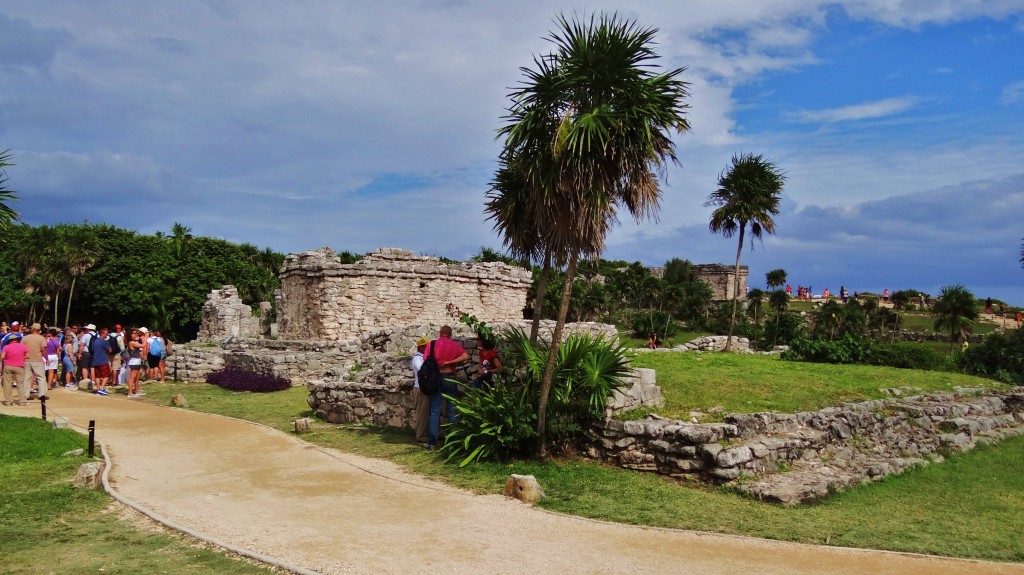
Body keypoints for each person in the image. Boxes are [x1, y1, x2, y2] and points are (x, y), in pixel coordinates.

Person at [423, 325, 468, 450]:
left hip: (435, 378)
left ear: (440, 333)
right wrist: (450, 362)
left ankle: (432, 442)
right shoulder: (454, 345)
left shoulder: (431, 345)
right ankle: (452, 442)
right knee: (452, 410)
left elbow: (426, 360)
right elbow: (465, 356)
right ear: (450, 334)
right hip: (449, 377)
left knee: (434, 411)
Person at [410, 336, 430, 445]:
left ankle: (426, 433)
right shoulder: (417, 358)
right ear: (422, 347)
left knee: (426, 412)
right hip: (420, 388)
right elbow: (422, 371)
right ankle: (421, 436)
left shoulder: (423, 357)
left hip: (424, 388)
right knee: (422, 413)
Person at [1, 332, 29, 405]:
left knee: (7, 384)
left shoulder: (6, 347)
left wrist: (6, 359)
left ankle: (8, 401)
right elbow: (27, 356)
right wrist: (21, 357)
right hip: (19, 366)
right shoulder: (23, 346)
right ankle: (22, 401)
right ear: (17, 340)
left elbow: (2, 357)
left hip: (8, 366)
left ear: (10, 340)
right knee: (20, 384)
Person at [21, 323, 47, 399]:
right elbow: (43, 349)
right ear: (39, 330)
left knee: (26, 378)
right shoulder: (41, 338)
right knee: (41, 377)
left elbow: (21, 349)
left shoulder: (25, 338)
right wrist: (44, 356)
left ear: (32, 329)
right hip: (37, 359)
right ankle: (42, 395)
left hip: (26, 359)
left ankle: (25, 395)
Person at [90, 326, 114, 395]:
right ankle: (102, 388)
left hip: (95, 360)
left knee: (97, 376)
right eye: (106, 334)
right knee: (106, 375)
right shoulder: (105, 342)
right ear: (103, 334)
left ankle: (98, 389)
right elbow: (110, 350)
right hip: (103, 360)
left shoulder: (95, 341)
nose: (107, 335)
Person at [125, 328, 146, 398]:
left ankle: (137, 391)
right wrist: (146, 337)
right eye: (133, 333)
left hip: (137, 360)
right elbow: (143, 345)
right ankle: (130, 393)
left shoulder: (134, 341)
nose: (135, 334)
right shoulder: (131, 342)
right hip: (134, 361)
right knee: (132, 378)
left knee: (137, 378)